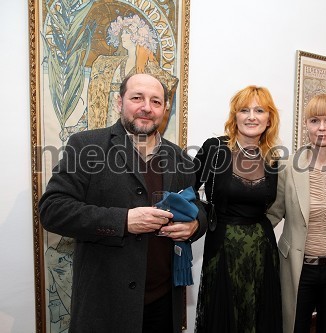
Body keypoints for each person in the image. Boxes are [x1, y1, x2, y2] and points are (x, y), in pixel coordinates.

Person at [39, 73, 207, 333]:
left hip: (164, 306)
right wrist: (124, 221)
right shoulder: (86, 146)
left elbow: (197, 204)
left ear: (164, 109)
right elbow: (52, 210)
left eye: (156, 101)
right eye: (137, 98)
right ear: (119, 103)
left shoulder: (179, 156)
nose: (147, 108)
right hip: (106, 306)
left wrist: (195, 225)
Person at [267, 94, 326, 333]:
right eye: (314, 120)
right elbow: (273, 213)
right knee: (293, 327)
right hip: (298, 268)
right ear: (305, 124)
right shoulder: (287, 166)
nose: (322, 128)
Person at [194, 85, 283, 332]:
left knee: (258, 316)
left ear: (269, 119)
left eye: (259, 110)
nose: (251, 116)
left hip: (261, 250)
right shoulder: (214, 148)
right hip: (223, 248)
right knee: (224, 317)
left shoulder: (273, 158)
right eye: (244, 110)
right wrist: (200, 216)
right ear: (235, 116)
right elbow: (186, 190)